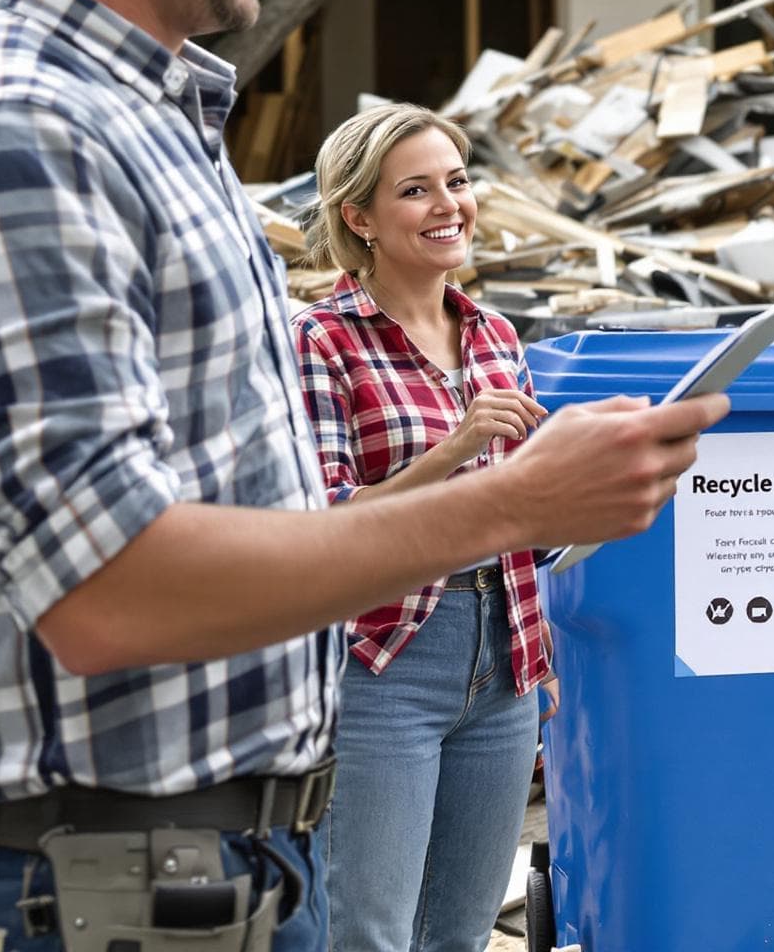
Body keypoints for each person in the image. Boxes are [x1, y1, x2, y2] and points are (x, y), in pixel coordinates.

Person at [0, 0, 725, 952]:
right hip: (89, 899)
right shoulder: (9, 137)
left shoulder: (153, 135)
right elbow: (109, 589)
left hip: (221, 868)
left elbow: (253, 527)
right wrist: (515, 502)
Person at [295, 104, 547, 952]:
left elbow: (521, 516)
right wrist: (461, 443)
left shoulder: (493, 333)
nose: (450, 205)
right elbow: (324, 528)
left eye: (459, 181)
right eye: (416, 190)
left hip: (506, 657)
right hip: (384, 664)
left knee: (460, 935)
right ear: (357, 217)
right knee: (371, 935)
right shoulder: (321, 342)